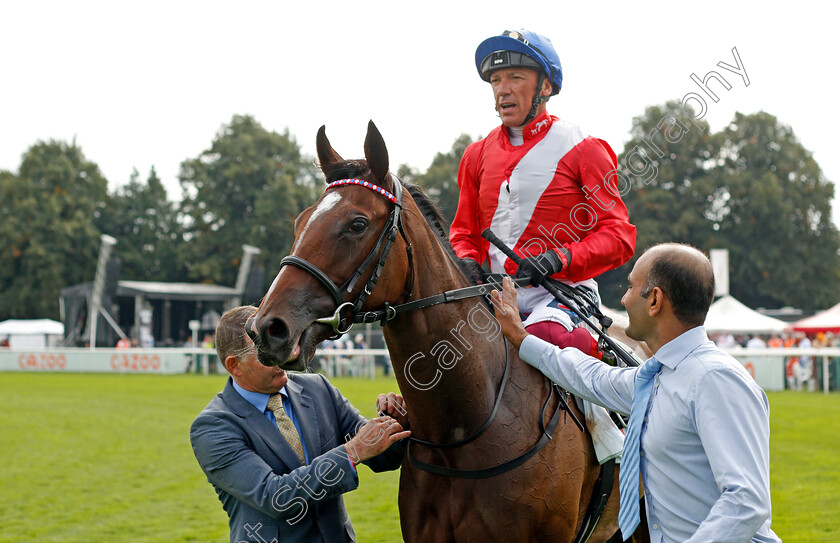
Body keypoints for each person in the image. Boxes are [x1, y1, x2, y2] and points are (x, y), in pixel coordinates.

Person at [491, 243, 780, 542]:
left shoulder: (715, 379)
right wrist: (520, 337)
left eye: (630, 286)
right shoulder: (657, 376)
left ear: (655, 300)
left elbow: (746, 502)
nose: (623, 298)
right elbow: (590, 376)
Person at [450, 29, 636, 359]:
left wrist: (559, 259)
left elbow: (618, 237)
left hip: (563, 291)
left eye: (515, 77)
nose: (502, 89)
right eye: (495, 79)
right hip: (495, 293)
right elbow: (463, 233)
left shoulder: (584, 148)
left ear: (545, 87)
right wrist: (466, 263)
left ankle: (605, 395)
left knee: (546, 334)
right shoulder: (475, 155)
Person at [190, 306, 410, 543]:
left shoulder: (318, 389)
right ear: (234, 365)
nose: (285, 356)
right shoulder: (212, 426)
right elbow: (276, 497)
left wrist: (396, 423)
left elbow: (383, 458)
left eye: (282, 343)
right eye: (267, 351)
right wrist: (352, 451)